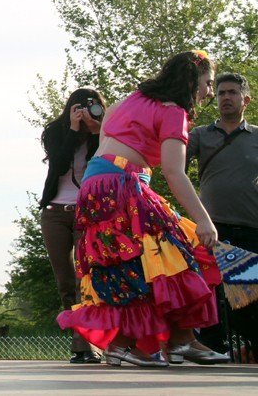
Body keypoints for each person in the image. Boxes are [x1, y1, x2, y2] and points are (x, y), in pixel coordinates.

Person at [58, 50, 228, 367]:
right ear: (192, 81)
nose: (208, 91)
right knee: (174, 250)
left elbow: (106, 131)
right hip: (123, 184)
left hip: (96, 186)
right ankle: (143, 344)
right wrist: (204, 220)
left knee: (139, 260)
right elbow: (175, 172)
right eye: (207, 83)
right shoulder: (173, 111)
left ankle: (176, 341)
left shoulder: (132, 99)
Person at [189, 72, 258, 356]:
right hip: (211, 228)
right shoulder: (200, 135)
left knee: (249, 296)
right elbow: (169, 164)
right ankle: (210, 349)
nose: (225, 98)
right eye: (220, 93)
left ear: (246, 99)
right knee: (211, 293)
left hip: (251, 227)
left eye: (232, 92)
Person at [39, 87, 106, 364]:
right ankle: (81, 340)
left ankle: (88, 344)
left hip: (87, 211)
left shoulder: (103, 134)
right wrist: (72, 129)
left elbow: (105, 163)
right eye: (78, 107)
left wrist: (95, 131)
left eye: (91, 106)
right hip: (54, 211)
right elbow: (58, 162)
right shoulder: (55, 131)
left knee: (85, 279)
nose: (84, 111)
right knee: (66, 281)